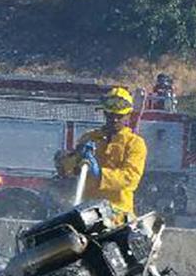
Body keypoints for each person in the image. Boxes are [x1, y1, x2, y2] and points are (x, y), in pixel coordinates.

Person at [56, 86, 148, 217]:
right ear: (104, 113)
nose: (114, 120)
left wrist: (100, 174)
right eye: (110, 115)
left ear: (128, 115)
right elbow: (70, 171)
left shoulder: (135, 144)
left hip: (118, 215)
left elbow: (130, 178)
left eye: (119, 116)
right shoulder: (89, 137)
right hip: (87, 212)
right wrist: (68, 161)